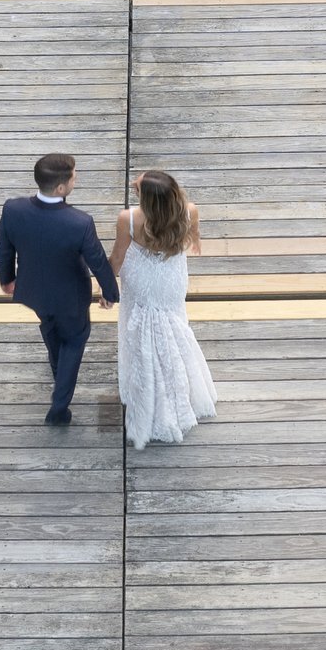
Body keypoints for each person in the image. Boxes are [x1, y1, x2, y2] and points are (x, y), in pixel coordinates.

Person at [0, 152, 119, 426]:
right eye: (74, 175)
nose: (76, 178)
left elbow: (4, 247)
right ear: (61, 188)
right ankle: (59, 408)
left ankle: (56, 366)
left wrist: (6, 278)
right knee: (74, 341)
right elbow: (97, 261)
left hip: (33, 292)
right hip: (70, 298)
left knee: (50, 328)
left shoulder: (13, 209)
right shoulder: (80, 222)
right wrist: (109, 292)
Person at [110, 169, 217, 450]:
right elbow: (194, 240)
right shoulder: (189, 211)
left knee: (140, 327)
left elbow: (118, 258)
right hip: (171, 278)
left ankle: (147, 388)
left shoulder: (129, 219)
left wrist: (107, 290)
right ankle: (179, 386)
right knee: (174, 325)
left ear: (147, 199)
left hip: (140, 280)